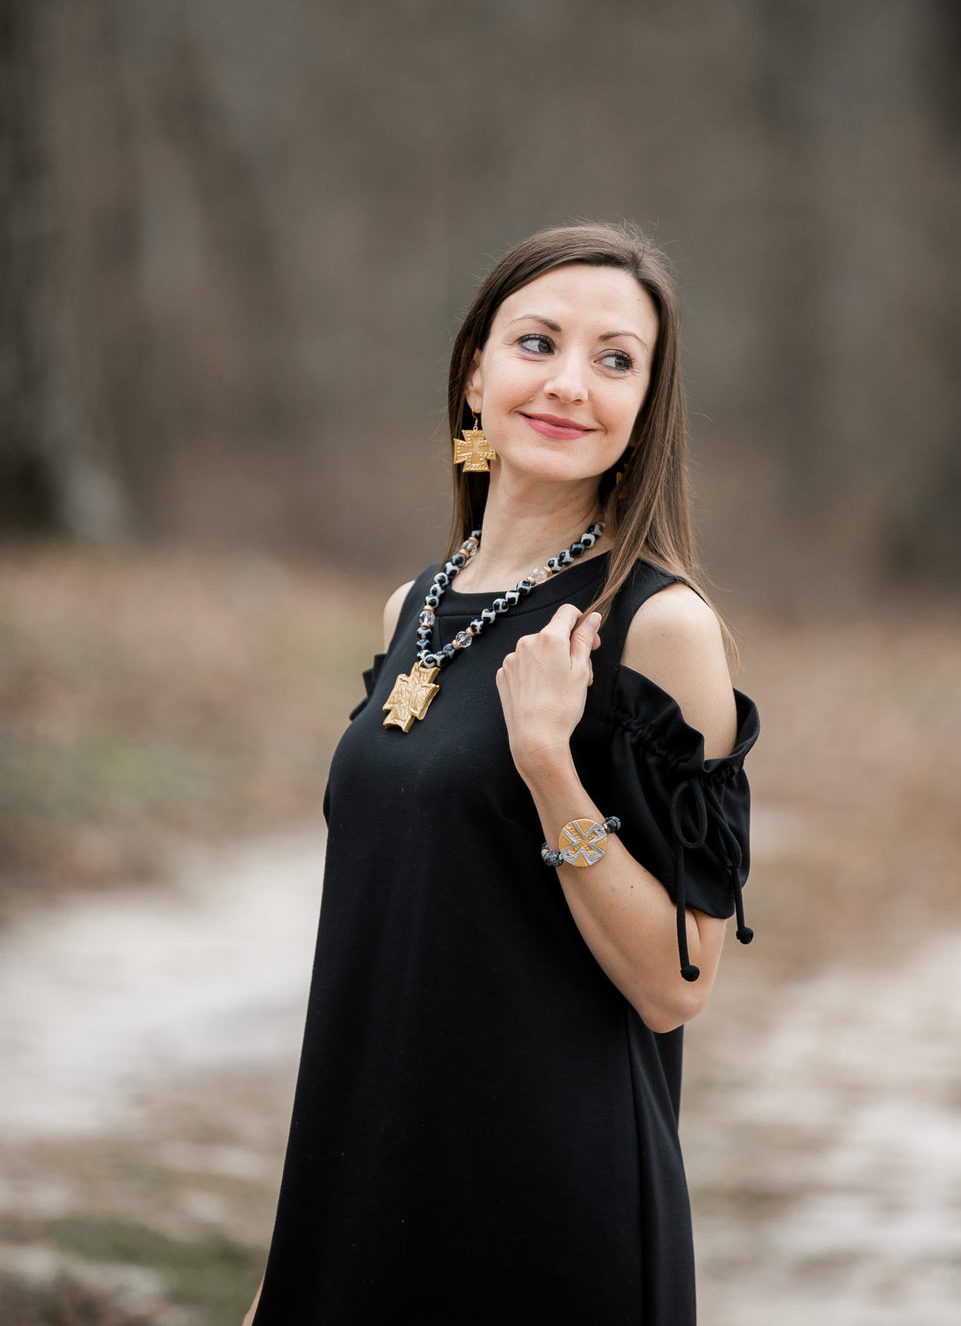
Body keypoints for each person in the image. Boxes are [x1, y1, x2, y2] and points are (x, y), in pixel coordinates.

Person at [243, 221, 759, 1326]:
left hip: (540, 1211)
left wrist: (547, 767)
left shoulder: (658, 628)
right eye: (537, 343)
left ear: (644, 409)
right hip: (366, 1187)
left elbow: (679, 983)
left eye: (615, 360)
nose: (571, 383)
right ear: (475, 370)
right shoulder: (414, 608)